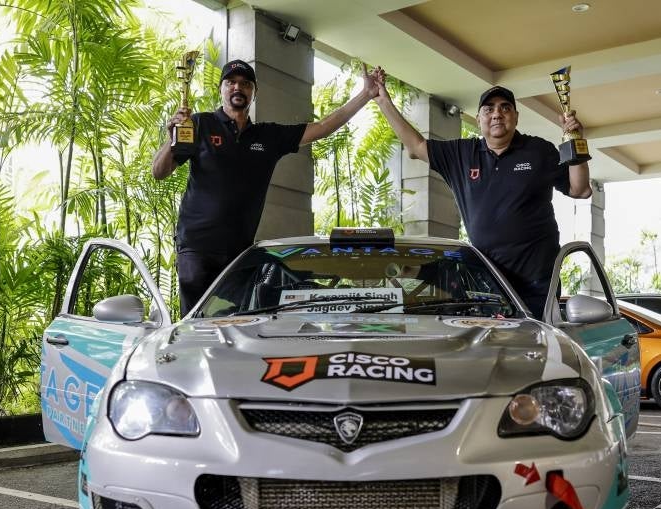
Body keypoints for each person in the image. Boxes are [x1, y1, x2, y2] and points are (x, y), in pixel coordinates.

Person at [153, 60, 380, 316]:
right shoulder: (200, 124)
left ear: (254, 92)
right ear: (222, 89)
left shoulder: (267, 136)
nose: (238, 87)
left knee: (246, 320)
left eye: (246, 84)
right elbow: (159, 172)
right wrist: (171, 137)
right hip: (196, 246)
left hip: (240, 253)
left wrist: (366, 95)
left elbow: (321, 129)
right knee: (192, 320)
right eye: (231, 82)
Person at [371, 70, 592, 318]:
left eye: (505, 108)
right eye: (489, 109)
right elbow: (415, 146)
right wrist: (383, 100)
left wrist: (576, 142)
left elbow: (580, 189)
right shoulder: (462, 154)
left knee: (534, 353)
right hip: (484, 284)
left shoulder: (539, 151)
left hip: (537, 285)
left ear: (516, 117)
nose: (497, 113)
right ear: (478, 119)